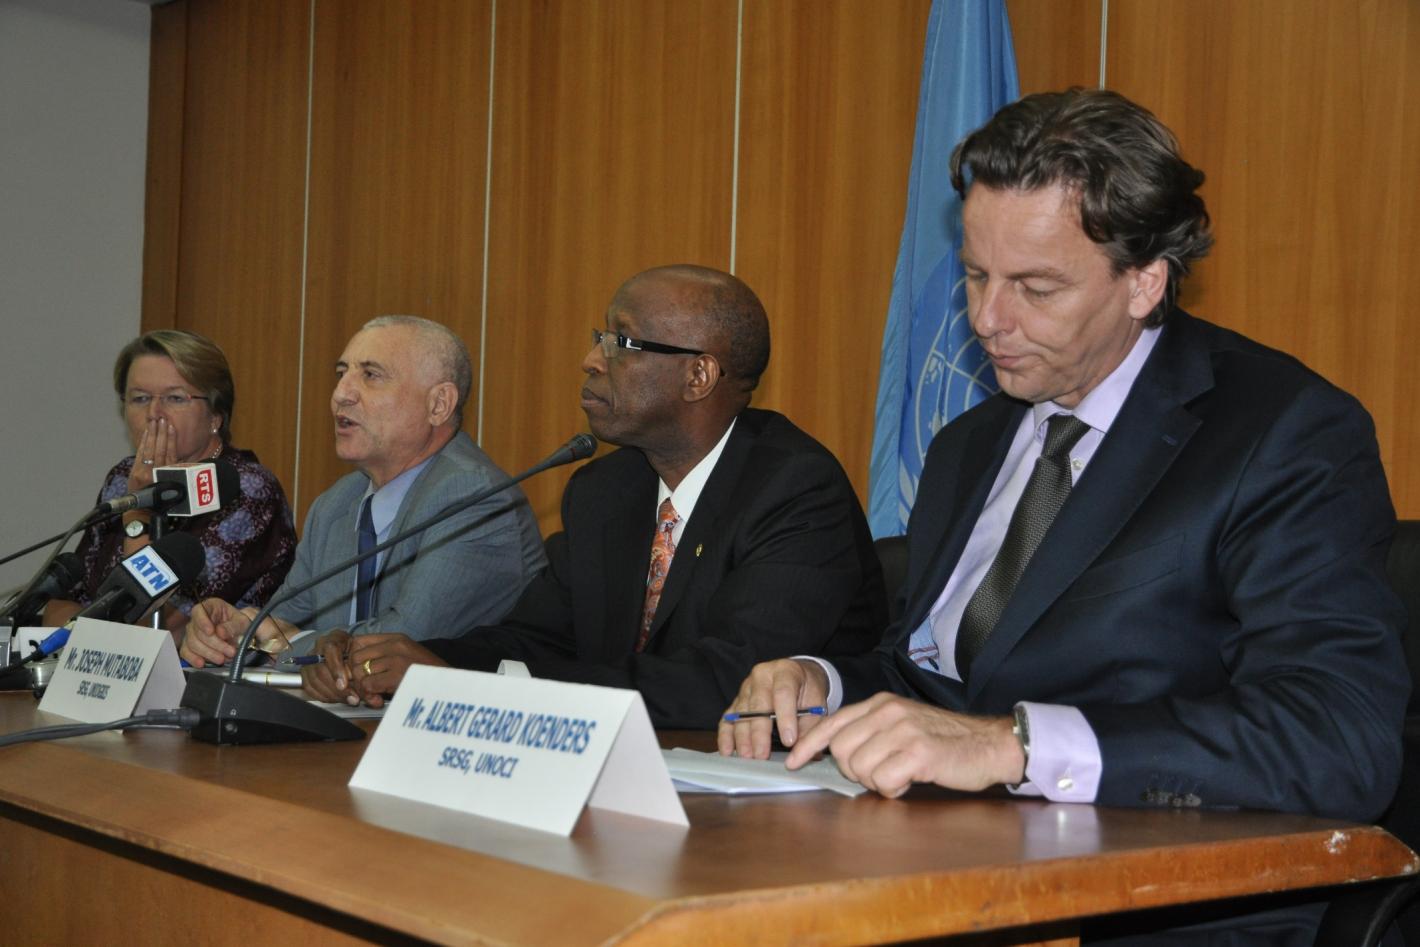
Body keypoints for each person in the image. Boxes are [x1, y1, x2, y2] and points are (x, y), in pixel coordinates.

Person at [719, 90, 1409, 944]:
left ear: (1144, 281)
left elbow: (1337, 738)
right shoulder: (970, 444)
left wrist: (1016, 744)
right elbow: (942, 684)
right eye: (976, 275)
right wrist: (823, 683)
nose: (987, 320)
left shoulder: (1282, 431)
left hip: (1163, 909)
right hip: (947, 882)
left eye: (1035, 287)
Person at [302, 265, 887, 729]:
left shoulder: (794, 489)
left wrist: (469, 686)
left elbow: (725, 680)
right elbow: (534, 638)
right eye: (599, 339)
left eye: (621, 342)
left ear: (699, 377)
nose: (590, 361)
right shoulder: (607, 489)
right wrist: (407, 661)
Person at [178, 315, 545, 665]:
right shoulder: (336, 504)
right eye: (342, 374)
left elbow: (402, 643)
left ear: (438, 404)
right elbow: (279, 622)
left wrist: (282, 643)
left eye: (371, 375)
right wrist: (234, 631)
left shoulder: (474, 496)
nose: (341, 394)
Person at [43, 330, 296, 638]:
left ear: (215, 415)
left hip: (205, 665)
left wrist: (138, 515)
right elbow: (58, 605)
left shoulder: (245, 489)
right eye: (140, 398)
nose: (154, 414)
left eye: (175, 398)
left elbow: (155, 623)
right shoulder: (123, 477)